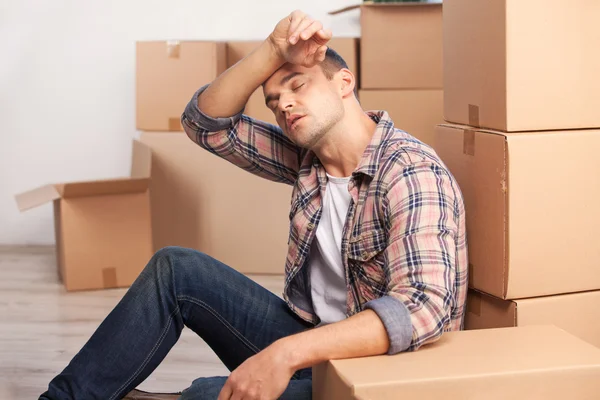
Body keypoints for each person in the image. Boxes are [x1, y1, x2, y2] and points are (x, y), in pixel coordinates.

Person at [40, 9, 468, 400]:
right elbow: (206, 125)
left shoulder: (410, 172)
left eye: (297, 85)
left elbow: (422, 308)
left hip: (383, 375)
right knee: (177, 269)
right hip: (315, 346)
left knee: (212, 394)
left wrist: (284, 354)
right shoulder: (310, 159)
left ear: (344, 83)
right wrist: (273, 50)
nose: (283, 104)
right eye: (273, 100)